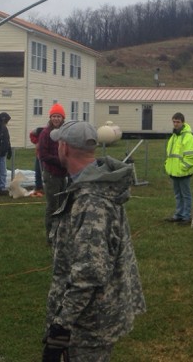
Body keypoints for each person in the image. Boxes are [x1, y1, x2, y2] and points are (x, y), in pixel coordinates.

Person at [43, 120, 146, 361]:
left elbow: (88, 274)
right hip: (90, 319)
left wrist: (60, 328)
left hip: (88, 326)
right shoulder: (92, 186)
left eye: (59, 143)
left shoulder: (92, 201)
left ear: (65, 148)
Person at [38, 103, 67, 243]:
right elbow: (43, 155)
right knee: (52, 206)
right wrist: (60, 161)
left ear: (63, 118)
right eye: (54, 116)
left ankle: (60, 233)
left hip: (63, 175)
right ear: (50, 118)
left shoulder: (65, 132)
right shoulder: (45, 133)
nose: (56, 119)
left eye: (58, 116)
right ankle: (50, 235)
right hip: (51, 174)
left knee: (63, 205)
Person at [163, 112, 193, 224]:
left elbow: (191, 156)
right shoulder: (174, 137)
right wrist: (168, 165)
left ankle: (186, 216)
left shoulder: (188, 137)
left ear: (183, 122)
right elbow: (170, 154)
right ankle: (178, 215)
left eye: (177, 122)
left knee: (185, 195)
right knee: (178, 195)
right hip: (174, 171)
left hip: (183, 172)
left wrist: (183, 167)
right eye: (174, 122)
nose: (175, 124)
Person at [29, 126, 45, 196]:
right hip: (39, 155)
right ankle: (39, 187)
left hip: (49, 154)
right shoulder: (40, 130)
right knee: (38, 171)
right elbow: (31, 134)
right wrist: (37, 142)